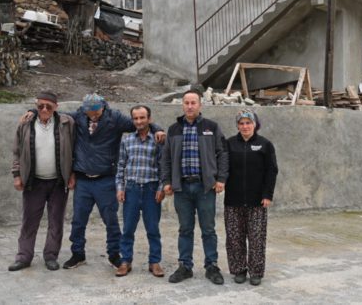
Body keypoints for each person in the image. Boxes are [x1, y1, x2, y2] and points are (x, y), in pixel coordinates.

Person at [57, 93, 165, 272]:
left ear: (103, 107)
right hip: (83, 180)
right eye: (89, 112)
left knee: (111, 221)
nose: (92, 115)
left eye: (96, 112)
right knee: (78, 220)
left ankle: (115, 255)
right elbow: (54, 114)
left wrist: (157, 129)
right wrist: (32, 111)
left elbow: (139, 123)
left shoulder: (115, 118)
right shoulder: (79, 116)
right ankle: (77, 253)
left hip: (106, 179)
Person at [161, 89, 229, 285]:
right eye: (186, 103)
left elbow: (223, 153)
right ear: (182, 105)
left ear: (200, 105)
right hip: (182, 188)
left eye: (193, 103)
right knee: (185, 229)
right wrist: (167, 182)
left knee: (208, 229)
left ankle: (211, 266)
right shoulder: (174, 129)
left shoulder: (211, 127)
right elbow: (165, 158)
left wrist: (221, 178)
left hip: (205, 188)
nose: (190, 106)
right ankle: (185, 266)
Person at [9, 91, 76, 272]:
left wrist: (72, 174)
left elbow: (75, 149)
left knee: (56, 222)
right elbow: (16, 151)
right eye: (40, 106)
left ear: (56, 107)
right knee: (29, 222)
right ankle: (24, 257)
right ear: (36, 105)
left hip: (58, 182)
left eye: (49, 106)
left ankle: (51, 256)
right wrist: (17, 175)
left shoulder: (66, 123)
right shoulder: (25, 123)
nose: (44, 109)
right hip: (34, 182)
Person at [224, 109, 278, 286]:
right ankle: (239, 270)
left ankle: (256, 272)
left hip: (257, 201)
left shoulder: (265, 144)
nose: (245, 126)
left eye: (248, 123)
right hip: (233, 200)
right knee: (234, 238)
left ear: (255, 124)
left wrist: (267, 194)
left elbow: (271, 171)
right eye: (241, 123)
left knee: (256, 239)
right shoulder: (230, 144)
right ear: (237, 126)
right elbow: (223, 167)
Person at [115, 105, 166, 278]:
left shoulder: (158, 140)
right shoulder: (127, 140)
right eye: (135, 118)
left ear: (149, 119)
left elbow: (163, 166)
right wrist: (120, 188)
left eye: (142, 117)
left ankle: (155, 262)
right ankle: (125, 261)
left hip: (151, 190)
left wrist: (161, 188)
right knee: (128, 229)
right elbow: (121, 166)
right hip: (132, 189)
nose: (139, 121)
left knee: (153, 229)